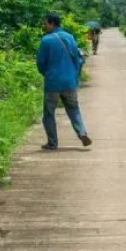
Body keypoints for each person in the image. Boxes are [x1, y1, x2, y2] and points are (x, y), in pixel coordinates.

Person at [36, 13, 92, 150]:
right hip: (69, 81)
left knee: (49, 113)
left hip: (52, 82)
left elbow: (40, 63)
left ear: (52, 23)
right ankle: (82, 133)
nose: (44, 26)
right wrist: (73, 75)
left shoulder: (46, 40)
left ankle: (52, 142)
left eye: (45, 24)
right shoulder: (69, 37)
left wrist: (47, 74)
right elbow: (76, 58)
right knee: (73, 110)